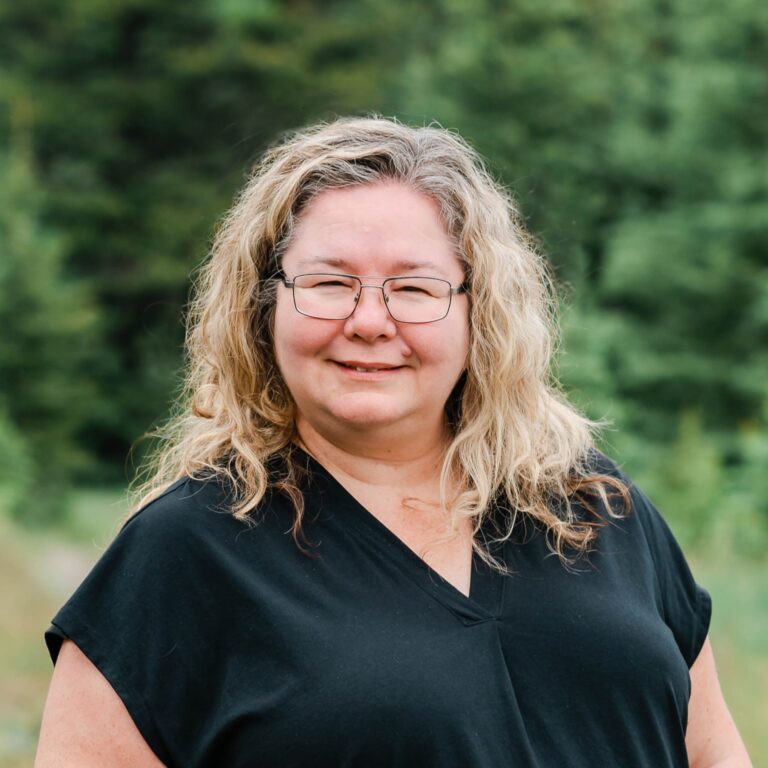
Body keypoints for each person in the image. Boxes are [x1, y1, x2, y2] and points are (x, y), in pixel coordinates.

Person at [35, 117, 751, 768]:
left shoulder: (597, 507)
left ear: (481, 311)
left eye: (413, 288)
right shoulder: (184, 554)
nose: (370, 320)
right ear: (264, 306)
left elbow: (716, 753)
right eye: (329, 282)